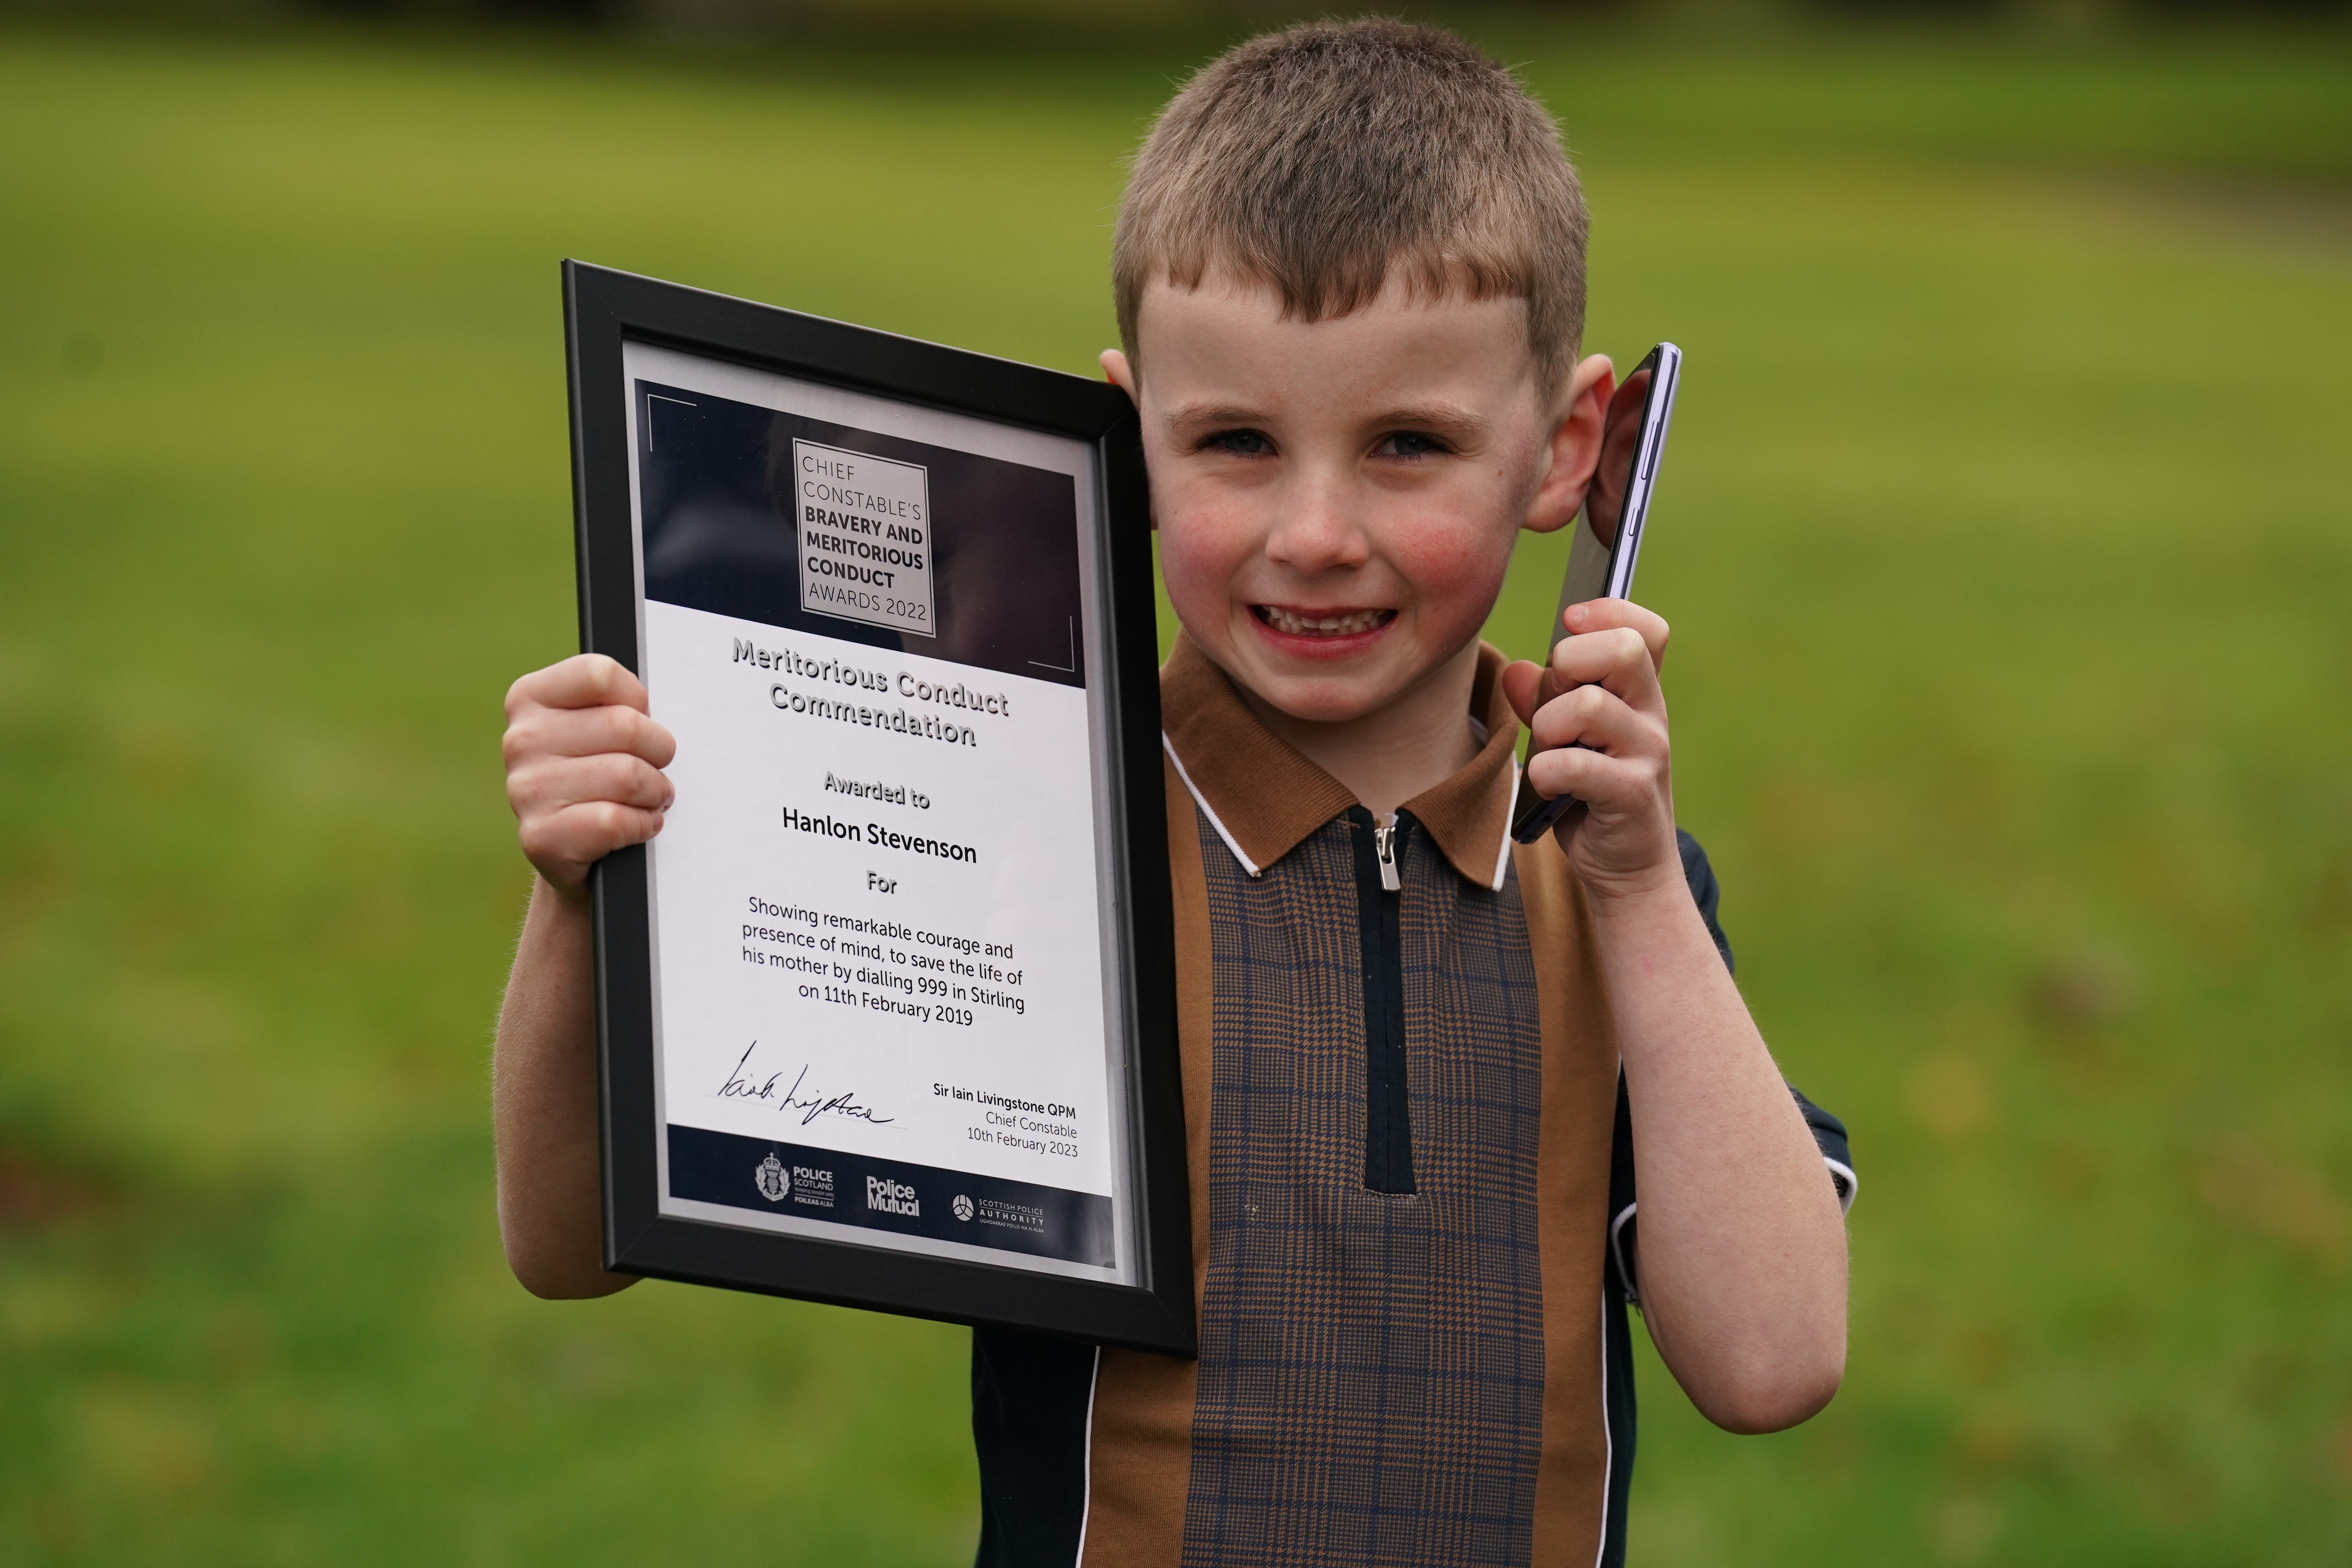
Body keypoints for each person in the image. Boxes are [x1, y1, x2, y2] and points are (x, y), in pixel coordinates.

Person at [492, 19, 1855, 1567]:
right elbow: (566, 1245)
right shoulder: (1026, 828)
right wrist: (581, 890)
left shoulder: (1614, 886)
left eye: (1409, 443)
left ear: (1564, 450)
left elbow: (1771, 1358)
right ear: (1131, 443)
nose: (1316, 531)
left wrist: (1636, 892)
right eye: (1236, 443)